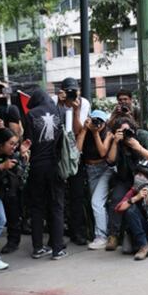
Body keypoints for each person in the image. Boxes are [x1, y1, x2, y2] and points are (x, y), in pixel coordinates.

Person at [22, 89, 68, 260]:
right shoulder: (60, 111)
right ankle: (57, 249)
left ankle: (38, 248)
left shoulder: (30, 115)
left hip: (36, 166)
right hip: (55, 166)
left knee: (37, 207)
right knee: (57, 206)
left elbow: (28, 141)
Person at [104, 116, 148, 252]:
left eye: (128, 131)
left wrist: (138, 147)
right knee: (116, 199)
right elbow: (110, 161)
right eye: (122, 131)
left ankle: (147, 235)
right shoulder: (117, 141)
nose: (126, 134)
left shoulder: (142, 135)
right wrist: (115, 142)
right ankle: (113, 235)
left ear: (133, 129)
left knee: (145, 202)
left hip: (144, 178)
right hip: (125, 178)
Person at [0, 128, 30, 270]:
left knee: (1, 221)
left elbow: (20, 172)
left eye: (15, 144)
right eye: (11, 144)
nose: (14, 147)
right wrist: (1, 166)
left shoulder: (11, 155)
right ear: (0, 144)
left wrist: (22, 158)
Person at [57, 77, 91, 246]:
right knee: (58, 195)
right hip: (58, 154)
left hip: (75, 153)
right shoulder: (55, 102)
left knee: (77, 194)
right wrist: (59, 103)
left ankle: (77, 231)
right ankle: (59, 232)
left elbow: (78, 131)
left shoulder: (83, 103)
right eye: (68, 91)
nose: (71, 95)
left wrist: (76, 111)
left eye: (74, 91)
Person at [76, 109, 112, 250]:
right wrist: (85, 130)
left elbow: (103, 152)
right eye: (95, 120)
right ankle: (108, 233)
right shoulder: (86, 131)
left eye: (100, 121)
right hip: (90, 170)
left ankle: (101, 236)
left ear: (105, 122)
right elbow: (78, 150)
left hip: (104, 170)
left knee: (96, 202)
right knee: (98, 203)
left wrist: (96, 133)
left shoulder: (107, 133)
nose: (97, 124)